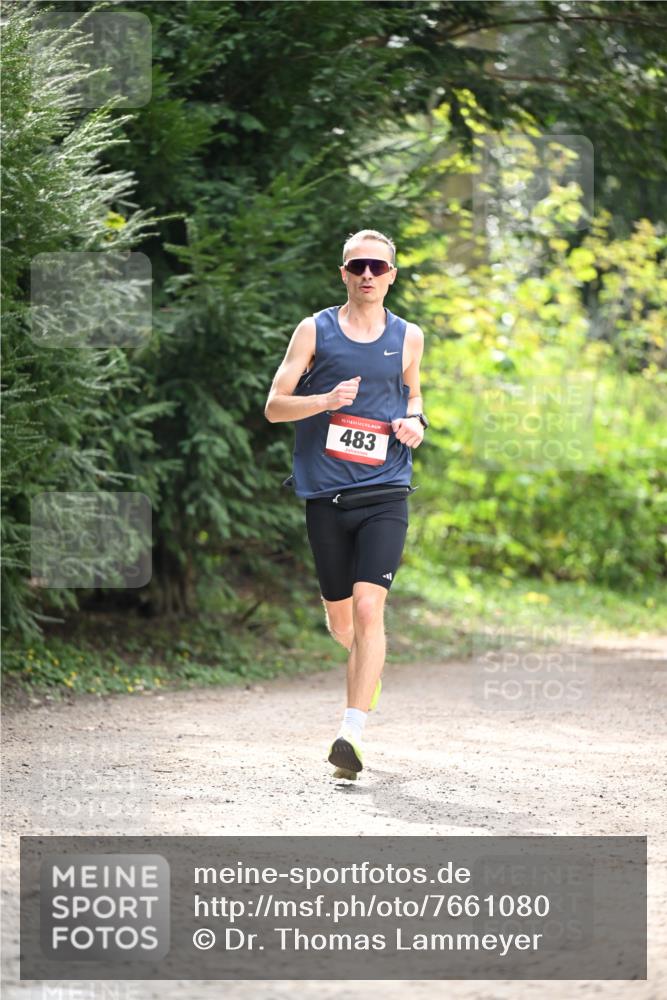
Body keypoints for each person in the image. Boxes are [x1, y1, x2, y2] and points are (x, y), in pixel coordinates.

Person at [264, 229, 427, 779]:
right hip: (326, 495)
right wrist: (324, 401)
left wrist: (416, 422)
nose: (367, 274)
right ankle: (366, 666)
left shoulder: (409, 337)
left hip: (385, 489)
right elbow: (273, 407)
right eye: (357, 265)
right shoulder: (315, 330)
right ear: (343, 274)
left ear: (391, 276)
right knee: (341, 624)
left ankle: (350, 733)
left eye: (377, 267)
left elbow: (413, 393)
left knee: (367, 609)